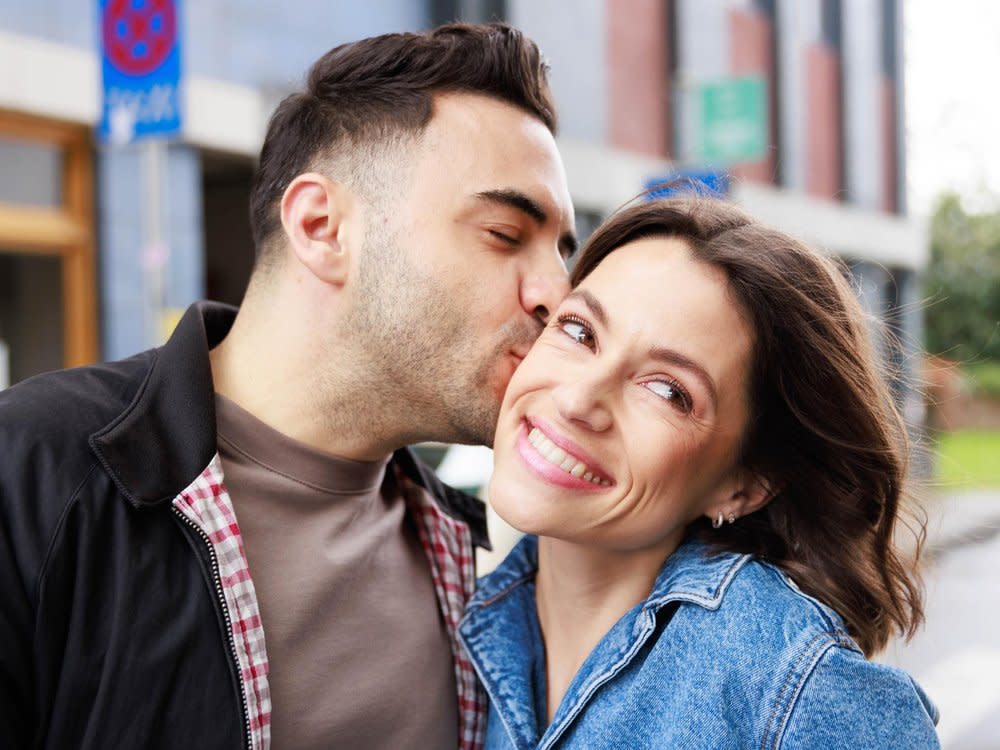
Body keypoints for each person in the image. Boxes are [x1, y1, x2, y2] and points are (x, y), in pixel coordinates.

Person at [0, 23, 576, 750]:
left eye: (562, 250)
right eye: (504, 233)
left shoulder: (472, 551)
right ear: (321, 225)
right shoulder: (29, 477)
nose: (559, 293)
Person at [459, 197, 941, 749]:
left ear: (745, 484)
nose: (577, 399)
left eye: (669, 391)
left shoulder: (803, 693)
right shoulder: (459, 615)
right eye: (580, 331)